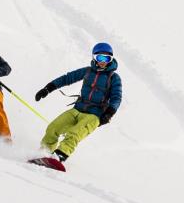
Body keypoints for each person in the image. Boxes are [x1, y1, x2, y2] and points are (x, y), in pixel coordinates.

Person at [32, 42, 124, 170]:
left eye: (107, 58)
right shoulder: (87, 71)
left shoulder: (114, 78)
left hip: (94, 115)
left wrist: (109, 112)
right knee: (53, 127)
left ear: (111, 59)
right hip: (77, 109)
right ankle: (44, 153)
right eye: (100, 58)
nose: (103, 62)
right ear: (94, 58)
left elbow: (116, 97)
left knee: (74, 134)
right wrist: (48, 88)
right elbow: (67, 78)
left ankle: (59, 156)